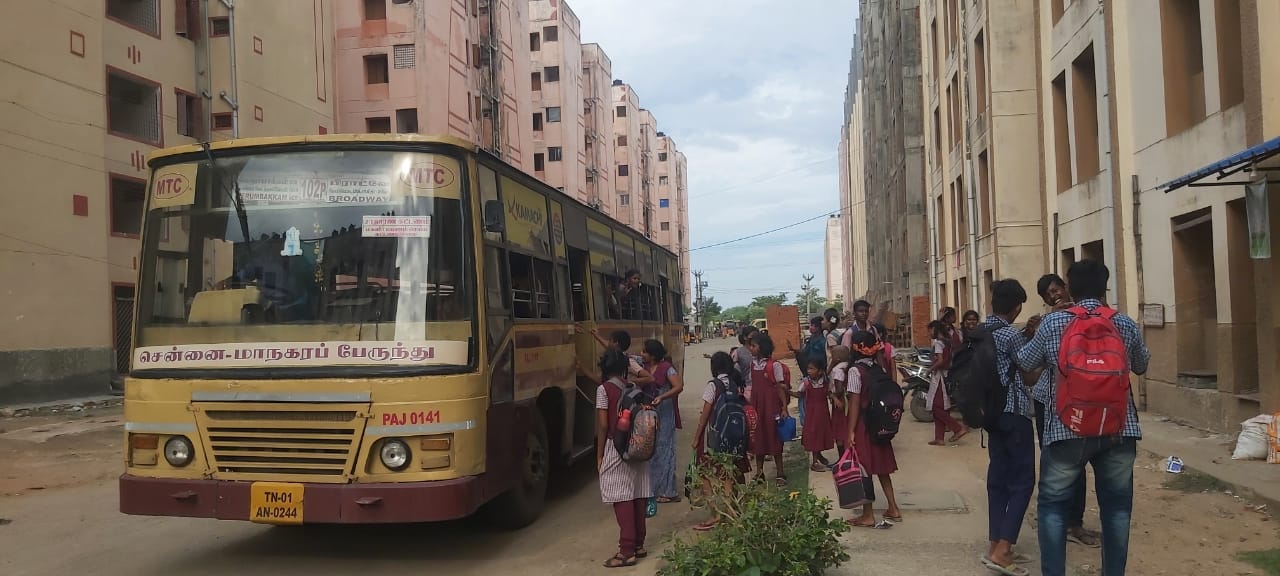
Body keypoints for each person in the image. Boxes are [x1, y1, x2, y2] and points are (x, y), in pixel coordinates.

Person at [1018, 260, 1150, 576]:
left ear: (1070, 289)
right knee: (1117, 510)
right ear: (1105, 287)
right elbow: (1141, 365)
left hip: (1066, 427)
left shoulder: (1053, 324)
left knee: (1052, 508)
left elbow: (1025, 362)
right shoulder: (1125, 323)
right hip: (1119, 428)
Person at [1033, 273, 1101, 549]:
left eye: (1055, 289)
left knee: (1078, 462)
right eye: (1047, 295)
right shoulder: (1048, 321)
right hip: (1047, 399)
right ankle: (1054, 519)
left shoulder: (1091, 316)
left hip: (1082, 398)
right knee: (1053, 460)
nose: (1054, 296)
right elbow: (1029, 360)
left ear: (1065, 287)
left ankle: (1075, 522)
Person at [982, 280, 1037, 576]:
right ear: (1016, 307)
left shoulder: (979, 332)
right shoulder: (1010, 334)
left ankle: (994, 544)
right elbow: (1029, 376)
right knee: (1023, 480)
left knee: (998, 480)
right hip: (1014, 413)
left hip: (989, 416)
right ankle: (1003, 550)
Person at [595, 348, 652, 568]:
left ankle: (626, 551)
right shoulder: (633, 386)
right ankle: (639, 544)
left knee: (621, 495)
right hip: (638, 445)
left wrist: (599, 455)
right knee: (638, 493)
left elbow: (602, 424)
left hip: (616, 446)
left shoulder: (603, 389)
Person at [845, 330, 901, 528]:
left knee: (864, 469)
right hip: (880, 424)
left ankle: (867, 515)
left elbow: (854, 403)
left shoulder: (855, 371)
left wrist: (850, 431)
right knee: (882, 468)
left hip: (864, 424)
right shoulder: (878, 367)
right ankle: (893, 507)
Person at [691, 351, 751, 531]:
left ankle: (716, 514)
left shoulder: (713, 385)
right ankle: (733, 512)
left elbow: (706, 414)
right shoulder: (734, 383)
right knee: (728, 474)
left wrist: (696, 438)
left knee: (703, 473)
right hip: (734, 436)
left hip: (715, 438)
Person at [642, 339, 684, 504]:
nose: (642, 354)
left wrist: (662, 397)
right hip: (649, 414)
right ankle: (653, 489)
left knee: (665, 450)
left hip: (665, 413)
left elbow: (678, 386)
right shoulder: (643, 367)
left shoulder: (667, 368)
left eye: (645, 352)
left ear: (652, 355)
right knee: (649, 450)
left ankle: (668, 490)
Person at [747, 332, 790, 486]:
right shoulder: (753, 365)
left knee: (775, 438)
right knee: (758, 439)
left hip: (772, 406)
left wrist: (784, 408)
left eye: (753, 346)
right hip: (758, 406)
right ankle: (759, 472)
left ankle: (780, 473)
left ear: (762, 347)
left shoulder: (774, 365)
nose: (750, 349)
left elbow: (779, 388)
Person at [926, 320, 968, 446]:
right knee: (942, 406)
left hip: (939, 377)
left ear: (935, 329)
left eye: (930, 331)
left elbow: (940, 360)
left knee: (936, 406)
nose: (929, 334)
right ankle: (939, 437)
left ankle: (957, 428)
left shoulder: (939, 343)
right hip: (947, 375)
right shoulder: (948, 341)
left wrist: (930, 369)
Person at [578, 327, 654, 388]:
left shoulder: (629, 362)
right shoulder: (614, 357)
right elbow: (601, 381)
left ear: (616, 343)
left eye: (610, 340)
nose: (608, 343)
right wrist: (596, 336)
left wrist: (627, 381)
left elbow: (650, 378)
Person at [795, 354, 834, 471]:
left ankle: (819, 454)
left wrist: (835, 398)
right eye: (808, 368)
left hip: (823, 413)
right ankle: (815, 462)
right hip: (811, 414)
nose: (809, 371)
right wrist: (785, 391)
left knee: (820, 434)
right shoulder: (806, 383)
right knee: (813, 435)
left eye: (812, 369)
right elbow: (798, 394)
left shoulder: (825, 381)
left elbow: (829, 393)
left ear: (820, 371)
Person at [827, 345, 853, 457]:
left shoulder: (837, 370)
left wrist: (833, 396)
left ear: (836, 358)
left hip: (840, 401)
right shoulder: (849, 366)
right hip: (850, 400)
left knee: (839, 430)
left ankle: (842, 457)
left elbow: (839, 388)